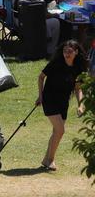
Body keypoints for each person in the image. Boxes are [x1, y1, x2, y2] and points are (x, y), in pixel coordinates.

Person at [38, 40, 86, 171]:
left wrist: (80, 105)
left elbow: (78, 88)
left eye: (70, 51)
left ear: (76, 52)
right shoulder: (56, 63)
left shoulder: (78, 68)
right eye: (65, 51)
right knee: (60, 130)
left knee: (56, 132)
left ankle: (45, 160)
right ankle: (51, 160)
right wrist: (40, 96)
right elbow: (41, 77)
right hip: (50, 99)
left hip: (63, 102)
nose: (66, 54)